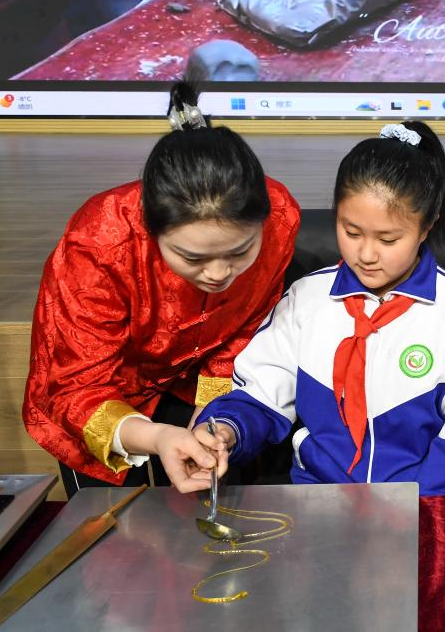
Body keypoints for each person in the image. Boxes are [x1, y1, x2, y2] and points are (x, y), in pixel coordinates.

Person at [23, 81, 301, 496]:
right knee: (113, 522)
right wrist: (156, 437)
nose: (218, 274)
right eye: (192, 258)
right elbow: (77, 387)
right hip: (101, 388)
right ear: (151, 230)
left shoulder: (279, 219)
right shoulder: (100, 244)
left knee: (208, 504)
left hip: (195, 379)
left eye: (240, 252)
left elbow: (243, 329)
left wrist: (213, 415)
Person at [194, 122, 445, 495]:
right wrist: (226, 430)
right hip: (318, 498)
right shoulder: (306, 298)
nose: (366, 254)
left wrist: (411, 510)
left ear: (426, 227)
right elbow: (260, 393)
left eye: (388, 239)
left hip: (419, 504)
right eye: (351, 232)